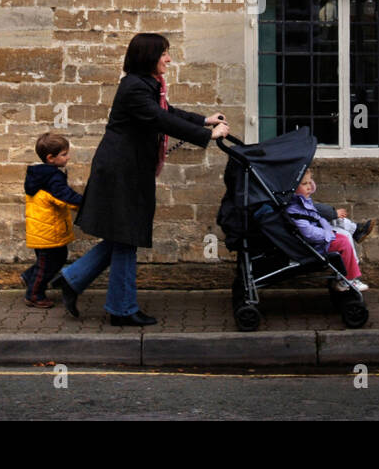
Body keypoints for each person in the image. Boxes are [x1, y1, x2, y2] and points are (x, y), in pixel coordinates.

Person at [52, 33, 231, 326]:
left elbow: (167, 112)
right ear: (149, 56)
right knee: (127, 237)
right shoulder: (136, 87)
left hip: (130, 169)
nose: (169, 59)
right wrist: (206, 135)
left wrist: (203, 120)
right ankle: (121, 309)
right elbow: (160, 119)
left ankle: (73, 279)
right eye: (164, 53)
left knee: (123, 235)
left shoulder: (145, 85)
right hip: (122, 172)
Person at [20, 132, 83, 308]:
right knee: (47, 264)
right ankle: (34, 294)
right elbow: (64, 197)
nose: (68, 157)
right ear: (51, 158)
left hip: (45, 228)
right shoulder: (51, 177)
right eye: (64, 154)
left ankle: (28, 277)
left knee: (53, 259)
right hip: (47, 230)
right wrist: (84, 203)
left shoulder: (42, 175)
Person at [285, 167, 369, 292]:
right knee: (343, 242)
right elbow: (308, 233)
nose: (309, 187)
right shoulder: (294, 209)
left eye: (310, 183)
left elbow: (319, 218)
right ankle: (348, 280)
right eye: (304, 184)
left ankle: (347, 278)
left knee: (343, 237)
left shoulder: (304, 203)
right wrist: (328, 234)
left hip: (321, 237)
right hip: (312, 244)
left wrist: (328, 230)